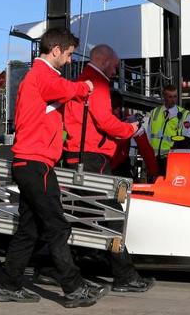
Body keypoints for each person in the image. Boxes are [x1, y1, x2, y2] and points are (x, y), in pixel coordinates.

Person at [0, 28, 106, 308]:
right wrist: (86, 86)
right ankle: (73, 288)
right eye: (67, 55)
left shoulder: (39, 76)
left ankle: (8, 284)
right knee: (56, 227)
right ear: (55, 49)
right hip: (36, 163)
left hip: (30, 163)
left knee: (29, 230)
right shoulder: (43, 75)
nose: (68, 61)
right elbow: (69, 89)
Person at [62, 44, 154, 293]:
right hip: (93, 160)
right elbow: (105, 122)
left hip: (79, 158)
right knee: (111, 217)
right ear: (103, 61)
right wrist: (130, 129)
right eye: (115, 64)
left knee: (84, 215)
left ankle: (63, 264)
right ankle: (125, 276)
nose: (116, 70)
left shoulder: (83, 82)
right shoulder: (98, 84)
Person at [109, 91, 160, 182]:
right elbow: (146, 149)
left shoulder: (131, 121)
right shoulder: (99, 118)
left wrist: (154, 173)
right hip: (107, 166)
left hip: (114, 166)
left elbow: (145, 148)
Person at [145, 84, 190, 174]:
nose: (173, 100)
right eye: (170, 97)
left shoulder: (184, 114)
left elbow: (185, 138)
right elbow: (148, 134)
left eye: (175, 96)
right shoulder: (154, 112)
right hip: (154, 158)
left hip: (171, 159)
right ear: (164, 97)